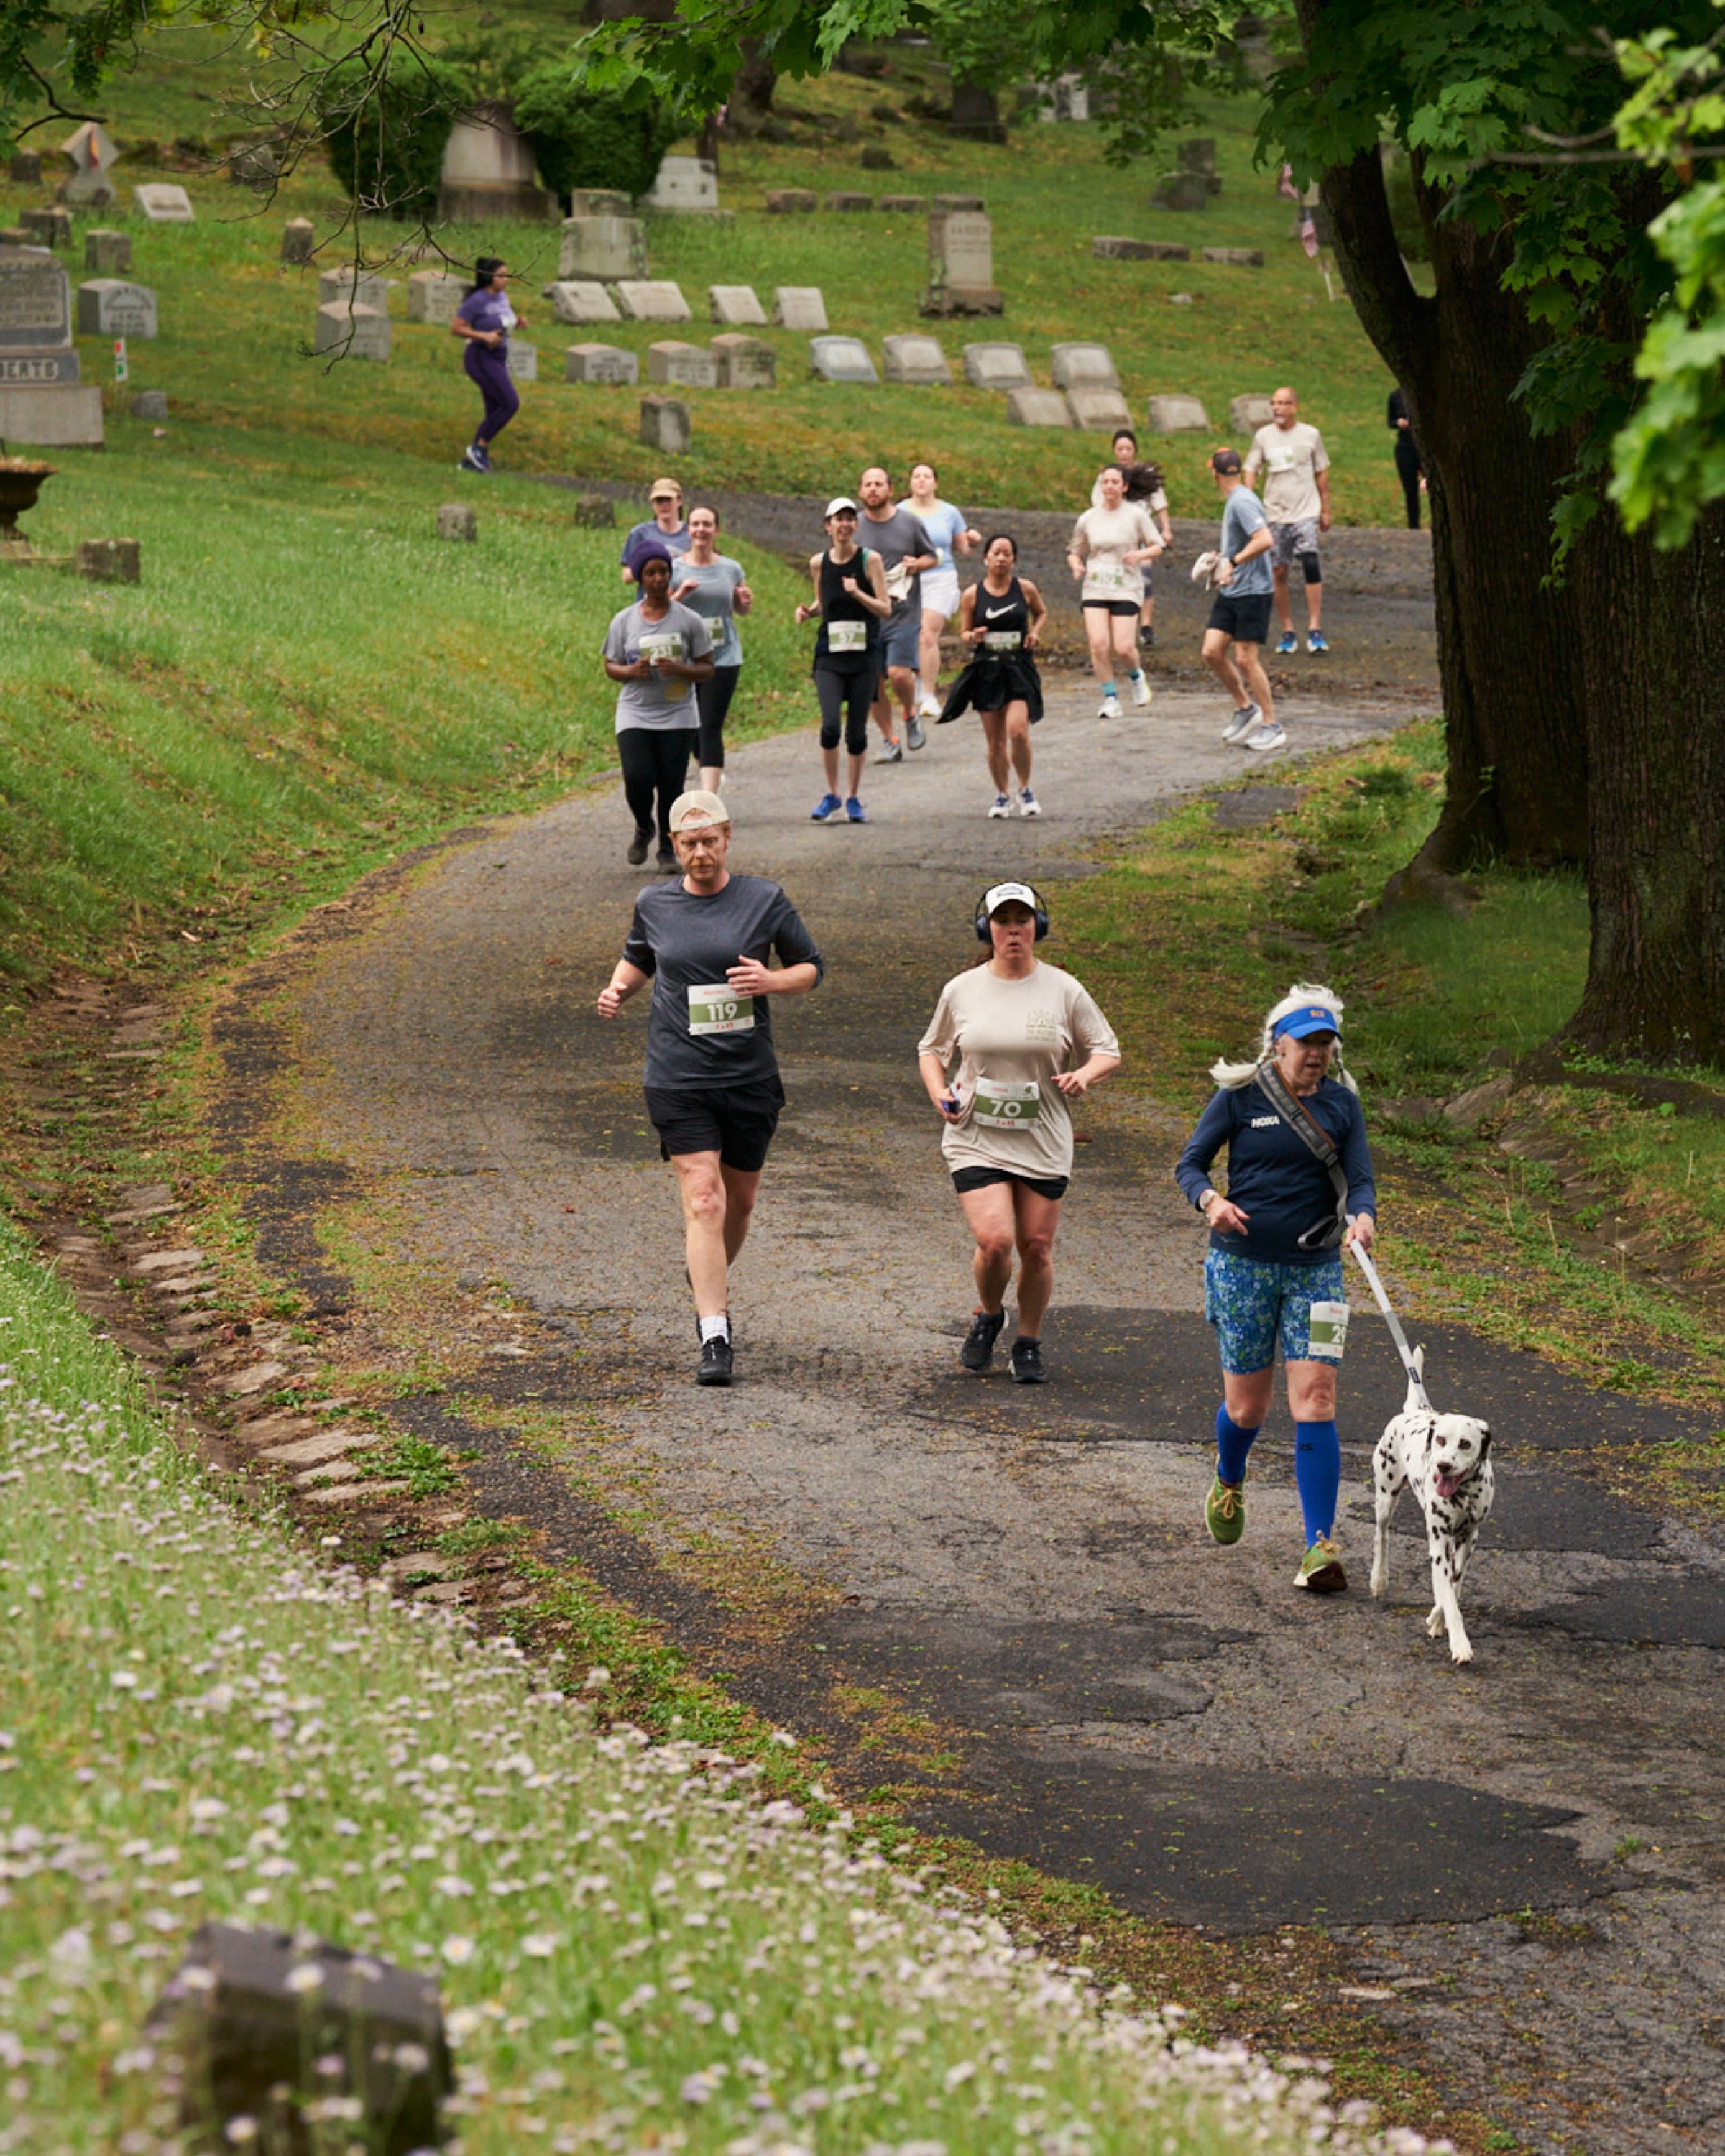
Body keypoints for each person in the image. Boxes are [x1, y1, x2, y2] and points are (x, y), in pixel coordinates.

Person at [597, 791, 823, 1388]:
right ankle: (715, 1333)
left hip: (748, 1075)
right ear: (674, 846)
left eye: (710, 841)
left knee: (738, 1203)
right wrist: (618, 988)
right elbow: (639, 956)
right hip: (678, 1076)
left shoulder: (763, 899)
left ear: (727, 838)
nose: (700, 853)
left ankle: (706, 1272)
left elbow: (811, 968)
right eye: (689, 844)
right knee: (704, 1198)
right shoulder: (655, 902)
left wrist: (772, 980)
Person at [1173, 984, 1377, 1593]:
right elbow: (1190, 1164)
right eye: (1306, 1043)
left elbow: (1361, 1181)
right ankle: (1230, 1475)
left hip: (1318, 1270)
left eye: (1325, 1043)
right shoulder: (1239, 1097)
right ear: (1277, 1044)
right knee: (1249, 1408)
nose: (1316, 1054)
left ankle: (1318, 1545)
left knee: (1315, 1396)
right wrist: (1210, 1201)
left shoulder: (1343, 1106)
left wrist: (1363, 1217)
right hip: (1242, 1268)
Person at [918, 883, 1121, 1385]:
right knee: (995, 1241)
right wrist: (938, 1090)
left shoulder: (1063, 990)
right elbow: (931, 1049)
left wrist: (1085, 1075)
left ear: (1038, 927)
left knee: (1036, 1246)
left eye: (1023, 920)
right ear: (986, 928)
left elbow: (1108, 1050)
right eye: (1003, 920)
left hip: (1042, 1134)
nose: (1013, 929)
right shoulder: (962, 989)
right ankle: (990, 1314)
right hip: (976, 1132)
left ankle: (1028, 1341)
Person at [602, 543, 714, 870]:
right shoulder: (623, 622)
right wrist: (631, 672)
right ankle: (643, 826)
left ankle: (668, 849)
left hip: (678, 713)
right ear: (640, 577)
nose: (658, 579)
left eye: (663, 572)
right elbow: (611, 666)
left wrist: (680, 669)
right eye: (650, 573)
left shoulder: (689, 620)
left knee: (671, 784)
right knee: (637, 777)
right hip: (635, 711)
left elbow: (708, 667)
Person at [796, 497, 891, 824]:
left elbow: (885, 608)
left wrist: (858, 593)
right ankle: (831, 793)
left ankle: (853, 796)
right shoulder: (818, 563)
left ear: (856, 525)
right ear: (828, 526)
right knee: (830, 725)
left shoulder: (870, 560)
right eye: (839, 519)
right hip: (830, 655)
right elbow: (823, 602)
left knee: (856, 732)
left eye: (850, 519)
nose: (844, 525)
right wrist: (808, 612)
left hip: (864, 656)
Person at [939, 533, 1049, 819]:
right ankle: (1002, 794)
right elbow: (963, 633)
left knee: (1018, 732)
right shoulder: (973, 595)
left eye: (1007, 553)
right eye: (996, 553)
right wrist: (972, 636)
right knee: (995, 740)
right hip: (987, 670)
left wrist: (1035, 633)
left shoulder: (1025, 589)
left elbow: (1042, 613)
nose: (1001, 558)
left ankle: (1025, 789)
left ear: (1014, 559)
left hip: (1018, 668)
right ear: (986, 558)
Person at [1203, 448, 1284, 754]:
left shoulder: (1243, 501)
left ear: (1215, 473)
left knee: (1246, 660)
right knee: (1212, 651)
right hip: (1232, 590)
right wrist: (1220, 559)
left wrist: (1233, 562)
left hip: (1253, 590)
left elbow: (1264, 540)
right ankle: (1246, 708)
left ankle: (1272, 725)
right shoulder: (1237, 500)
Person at [1066, 465, 1162, 718]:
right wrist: (1077, 565)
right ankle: (1110, 698)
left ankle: (1136, 676)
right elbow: (1075, 551)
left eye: (1114, 482)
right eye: (1105, 482)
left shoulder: (1136, 515)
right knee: (1098, 645)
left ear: (1124, 487)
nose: (1109, 486)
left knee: (1124, 648)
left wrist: (1139, 554)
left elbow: (1157, 546)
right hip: (1096, 586)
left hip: (1126, 587)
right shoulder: (1088, 518)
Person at [1243, 386, 1333, 655]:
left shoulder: (1310, 435)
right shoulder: (1264, 436)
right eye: (1274, 403)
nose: (1277, 409)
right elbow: (1252, 468)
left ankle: (1315, 628)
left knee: (1310, 562)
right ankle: (1287, 629)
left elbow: (1322, 472)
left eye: (1283, 403)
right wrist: (1248, 502)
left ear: (1295, 406)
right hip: (1275, 512)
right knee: (1278, 571)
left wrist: (1326, 509)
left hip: (1305, 510)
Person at [671, 505, 753, 793]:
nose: (701, 530)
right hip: (684, 660)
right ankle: (707, 769)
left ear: (717, 530)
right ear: (688, 529)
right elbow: (661, 611)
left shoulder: (731, 568)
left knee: (709, 725)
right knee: (689, 727)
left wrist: (744, 600)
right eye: (695, 524)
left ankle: (709, 798)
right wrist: (680, 594)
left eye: (707, 525)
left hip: (723, 657)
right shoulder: (676, 568)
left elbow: (740, 610)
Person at [858, 466, 937, 761]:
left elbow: (932, 556)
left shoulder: (909, 523)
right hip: (866, 616)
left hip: (903, 613)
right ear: (861, 491)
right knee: (872, 683)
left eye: (879, 484)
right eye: (868, 485)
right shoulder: (853, 525)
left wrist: (917, 564)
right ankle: (889, 740)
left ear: (891, 490)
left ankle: (909, 713)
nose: (874, 489)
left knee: (898, 674)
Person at [901, 461, 980, 721]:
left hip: (941, 577)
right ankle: (914, 689)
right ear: (911, 483)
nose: (922, 480)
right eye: (917, 476)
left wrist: (972, 541)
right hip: (909, 578)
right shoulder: (900, 512)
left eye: (927, 476)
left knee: (927, 634)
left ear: (935, 483)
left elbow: (963, 549)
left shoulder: (950, 513)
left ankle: (929, 695)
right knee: (910, 635)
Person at [1094, 429, 1174, 648]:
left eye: (1128, 448)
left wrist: (1166, 528)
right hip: (1116, 537)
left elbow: (1160, 503)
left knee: (1144, 578)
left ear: (1135, 451)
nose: (1124, 453)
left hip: (1141, 535)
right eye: (1120, 449)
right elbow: (1097, 508)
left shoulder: (1145, 474)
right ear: (1114, 451)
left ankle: (1146, 626)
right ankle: (1119, 623)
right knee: (1117, 579)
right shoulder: (1108, 477)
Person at [452, 258, 526, 474]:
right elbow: (456, 328)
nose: (505, 280)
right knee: (510, 403)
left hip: (499, 355)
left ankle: (471, 461)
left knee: (495, 409)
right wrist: (482, 336)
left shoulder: (502, 297)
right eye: (501, 276)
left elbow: (503, 322)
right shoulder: (477, 300)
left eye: (507, 276)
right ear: (488, 277)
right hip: (480, 356)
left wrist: (517, 323)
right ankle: (478, 448)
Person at [620, 479, 690, 584]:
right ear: (653, 504)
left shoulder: (693, 532)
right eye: (659, 501)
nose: (664, 505)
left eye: (668, 500)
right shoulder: (640, 533)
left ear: (679, 501)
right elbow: (626, 577)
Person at [1388, 387, 1425, 530]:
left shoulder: (1423, 394)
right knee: (1410, 489)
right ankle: (1414, 525)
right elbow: (1390, 421)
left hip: (1424, 447)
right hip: (1405, 446)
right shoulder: (1395, 396)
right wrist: (1398, 423)